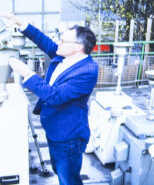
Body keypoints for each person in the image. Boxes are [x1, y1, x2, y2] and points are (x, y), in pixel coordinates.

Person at [2, 14, 99, 185]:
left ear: (79, 47)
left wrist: (27, 73)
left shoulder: (87, 70)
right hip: (55, 130)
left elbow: (55, 96)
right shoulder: (65, 56)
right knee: (60, 171)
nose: (58, 42)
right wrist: (20, 22)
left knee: (68, 179)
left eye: (63, 40)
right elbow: (43, 40)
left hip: (68, 137)